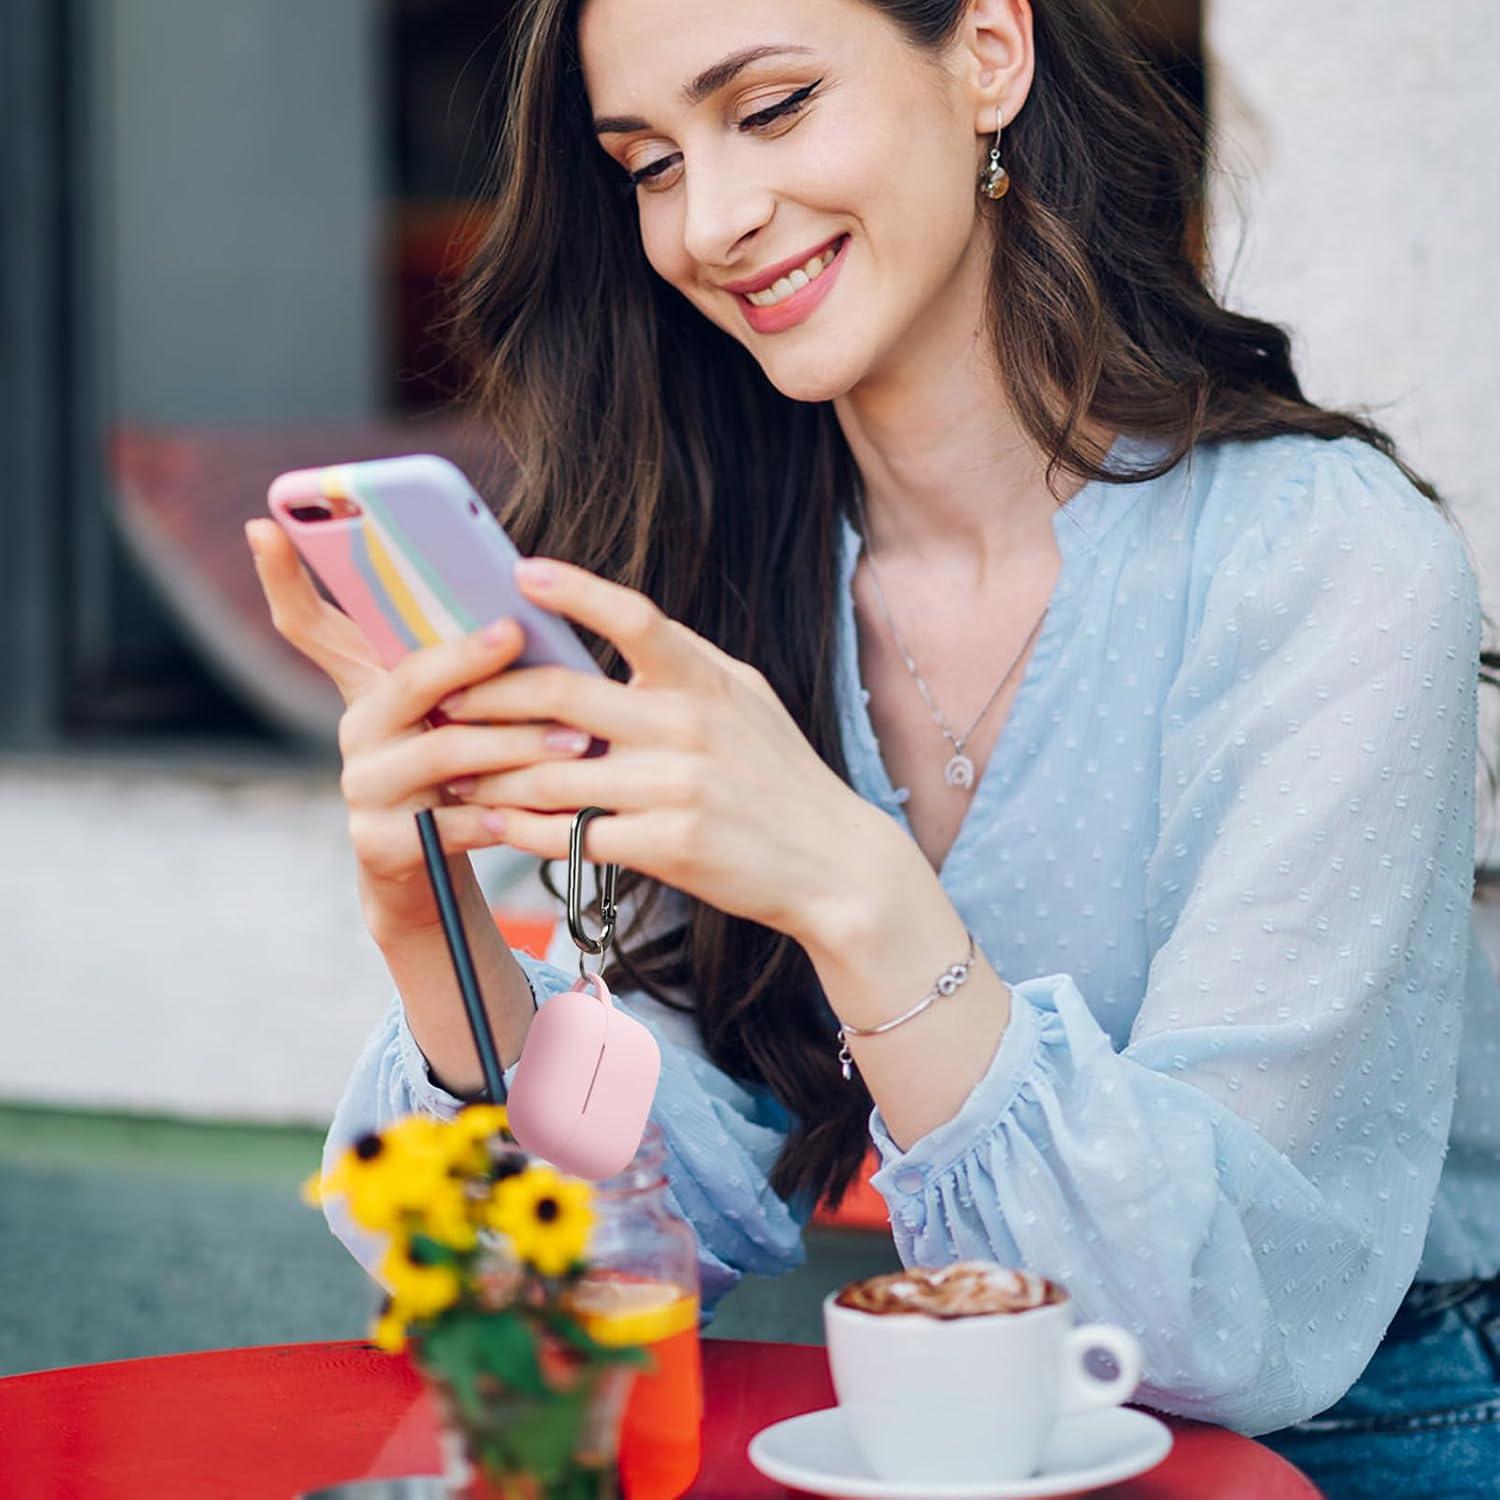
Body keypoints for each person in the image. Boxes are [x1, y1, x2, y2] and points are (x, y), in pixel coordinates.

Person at [245, 0, 1500, 1490]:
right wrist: (436, 939)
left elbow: (1219, 1321)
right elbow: (628, 1250)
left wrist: (855, 888)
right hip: (923, 1430)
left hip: (1363, 1433)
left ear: (987, 51)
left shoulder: (1317, 560)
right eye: (647, 162)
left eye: (771, 109)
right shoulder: (712, 563)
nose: (709, 222)